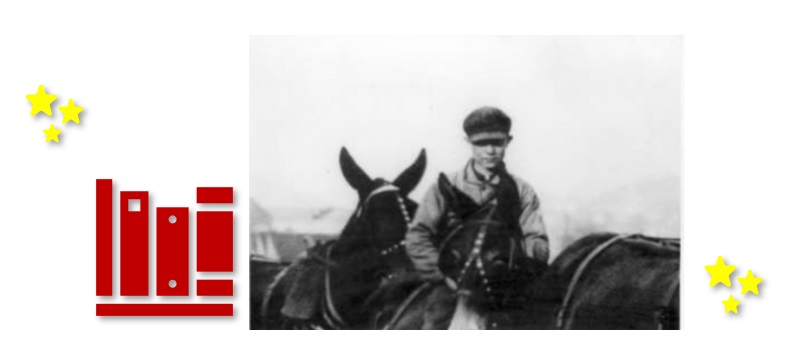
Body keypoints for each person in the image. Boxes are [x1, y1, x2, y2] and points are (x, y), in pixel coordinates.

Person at [404, 106, 550, 328]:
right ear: (468, 142)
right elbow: (417, 236)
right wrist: (442, 275)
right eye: (481, 143)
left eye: (497, 143)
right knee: (434, 323)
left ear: (508, 142)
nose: (490, 151)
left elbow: (536, 238)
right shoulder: (446, 187)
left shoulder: (521, 190)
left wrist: (523, 269)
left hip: (505, 284)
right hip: (454, 284)